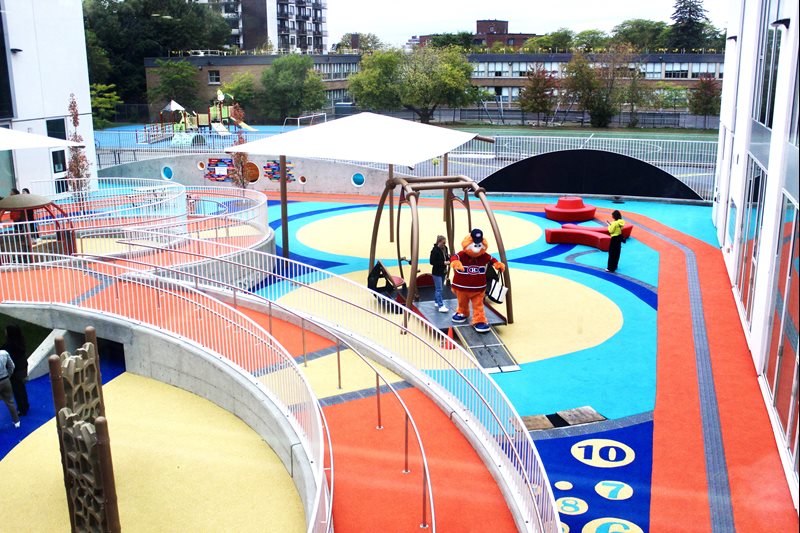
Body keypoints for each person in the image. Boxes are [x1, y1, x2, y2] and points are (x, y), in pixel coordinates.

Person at [1, 324, 28, 416]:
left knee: (17, 390)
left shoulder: (8, 346)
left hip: (15, 371)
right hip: (22, 368)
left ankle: (22, 409)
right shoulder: (21, 342)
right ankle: (25, 405)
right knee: (21, 388)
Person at [0, 348, 20, 428]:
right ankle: (17, 422)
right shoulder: (4, 353)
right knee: (10, 402)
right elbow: (12, 366)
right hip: (5, 380)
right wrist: (8, 375)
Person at [429, 235, 449, 312]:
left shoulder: (445, 248)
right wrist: (443, 263)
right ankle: (441, 306)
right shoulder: (434, 250)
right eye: (443, 243)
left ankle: (437, 302)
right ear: (439, 242)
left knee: (439, 288)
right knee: (439, 289)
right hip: (437, 273)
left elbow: (446, 256)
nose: (444, 244)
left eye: (445, 243)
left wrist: (448, 259)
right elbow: (432, 262)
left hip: (443, 271)